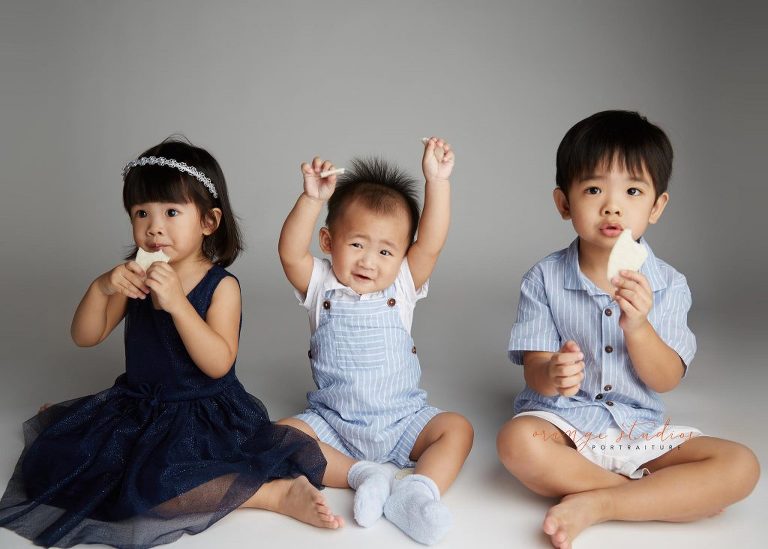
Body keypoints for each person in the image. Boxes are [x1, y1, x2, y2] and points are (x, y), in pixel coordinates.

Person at [0, 137, 342, 549]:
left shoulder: (221, 286)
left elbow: (218, 363)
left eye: (171, 212)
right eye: (141, 212)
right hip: (138, 406)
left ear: (208, 222)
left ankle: (271, 494)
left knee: (157, 491)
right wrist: (101, 287)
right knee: (72, 466)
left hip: (200, 413)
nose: (154, 226)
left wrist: (179, 305)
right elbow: (86, 336)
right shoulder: (136, 275)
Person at [496, 110, 760, 549]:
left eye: (633, 191)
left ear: (656, 207)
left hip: (639, 431)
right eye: (594, 189)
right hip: (562, 426)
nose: (612, 206)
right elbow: (534, 370)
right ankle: (649, 497)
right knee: (516, 442)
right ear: (564, 203)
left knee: (741, 465)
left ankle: (599, 503)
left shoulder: (669, 284)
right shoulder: (542, 279)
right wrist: (553, 372)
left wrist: (638, 326)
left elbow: (666, 378)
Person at [277, 138, 473, 545]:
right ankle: (363, 475)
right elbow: (290, 253)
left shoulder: (401, 284)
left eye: (386, 251)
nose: (369, 261)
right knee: (279, 436)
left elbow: (431, 242)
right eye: (356, 244)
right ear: (328, 242)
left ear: (402, 256)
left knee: (457, 429)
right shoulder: (320, 284)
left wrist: (437, 182)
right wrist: (312, 199)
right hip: (334, 423)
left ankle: (416, 491)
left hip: (403, 421)